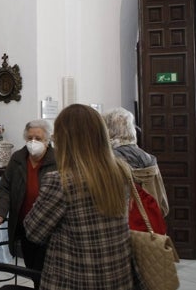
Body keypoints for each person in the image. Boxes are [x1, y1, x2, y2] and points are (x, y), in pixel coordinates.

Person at [24, 104, 142, 289]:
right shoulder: (121, 172)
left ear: (65, 141)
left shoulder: (61, 181)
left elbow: (33, 231)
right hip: (118, 278)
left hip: (76, 279)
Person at [0, 119, 56, 271]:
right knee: (31, 267)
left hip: (48, 228)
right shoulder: (18, 159)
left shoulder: (58, 161)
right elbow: (5, 188)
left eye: (38, 139)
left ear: (47, 140)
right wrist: (0, 211)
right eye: (30, 138)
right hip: (25, 226)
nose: (33, 142)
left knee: (45, 271)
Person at [103, 107, 169, 217]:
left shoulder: (108, 160)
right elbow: (163, 205)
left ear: (107, 130)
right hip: (149, 224)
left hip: (122, 224)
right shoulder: (149, 158)